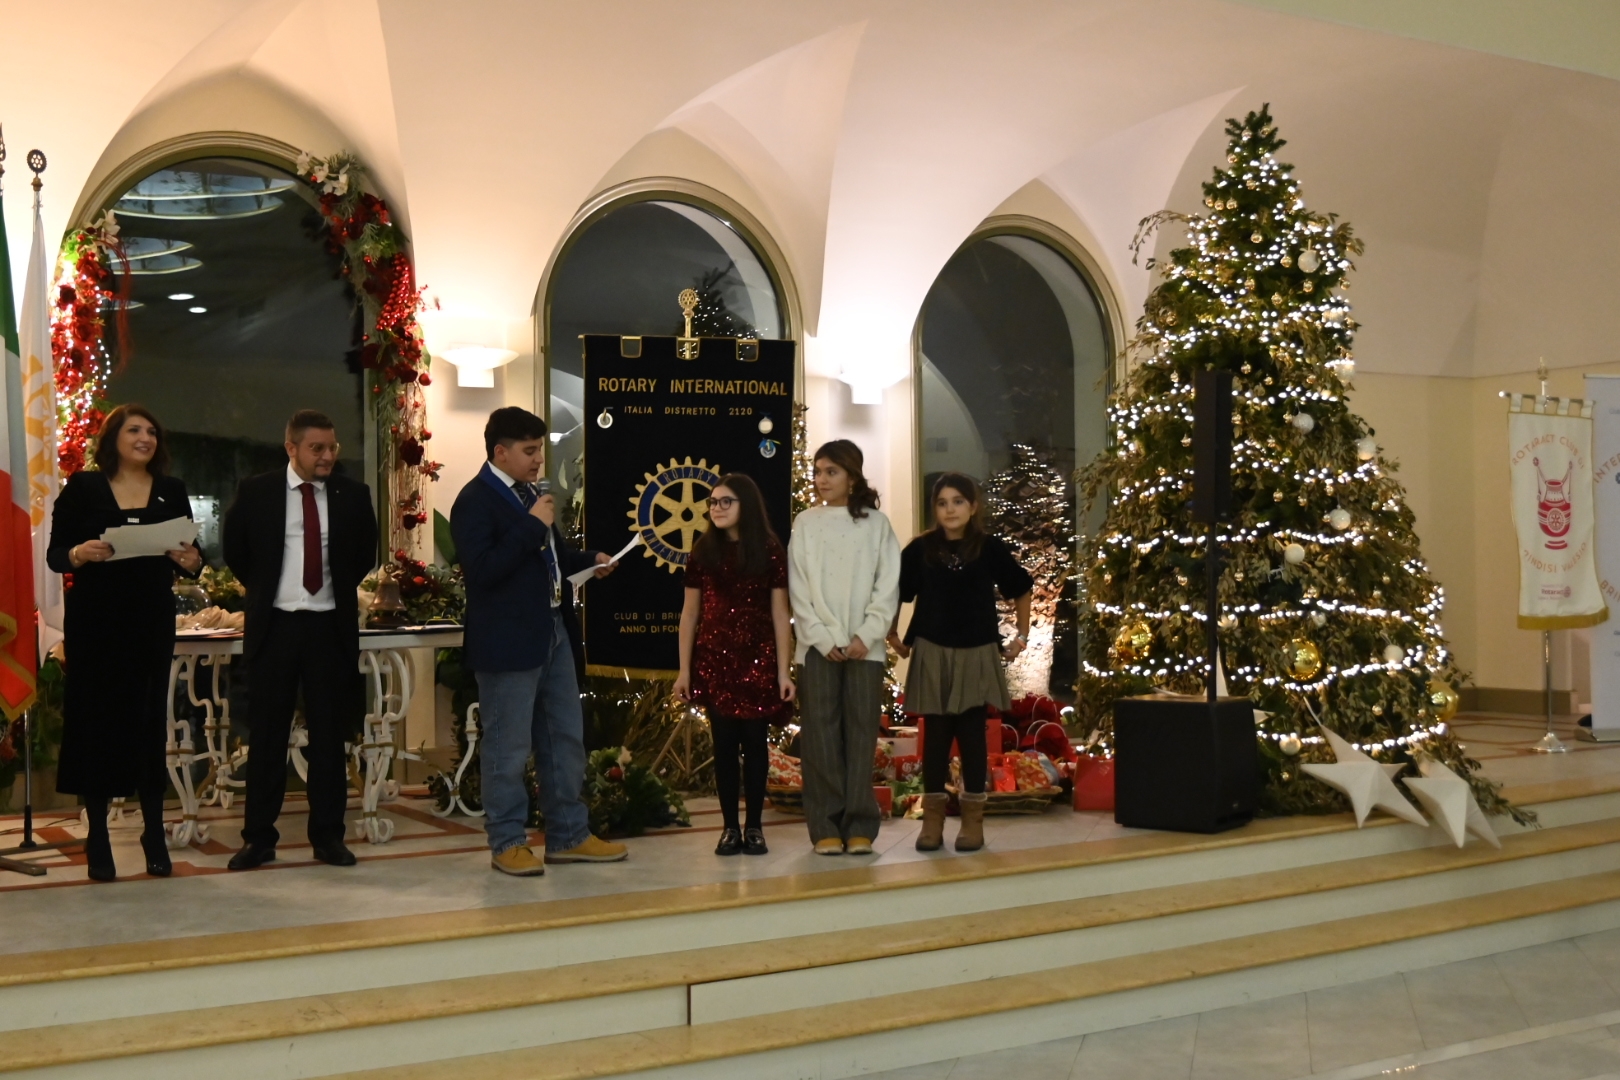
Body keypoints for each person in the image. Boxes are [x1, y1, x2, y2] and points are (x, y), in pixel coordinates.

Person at [451, 406, 626, 876]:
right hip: (507, 641)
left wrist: (589, 560)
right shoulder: (474, 500)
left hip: (553, 630)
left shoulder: (531, 495)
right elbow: (483, 571)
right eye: (529, 451)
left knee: (564, 738)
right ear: (500, 452)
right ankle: (507, 841)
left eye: (539, 450)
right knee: (507, 747)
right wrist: (532, 525)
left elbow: (550, 559)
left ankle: (568, 835)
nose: (538, 460)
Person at [48, 405, 203, 881]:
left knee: (149, 722)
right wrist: (81, 552)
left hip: (149, 619)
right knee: (96, 723)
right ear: (113, 436)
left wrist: (190, 559)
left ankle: (153, 832)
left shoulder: (171, 489)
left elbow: (194, 557)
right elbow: (57, 555)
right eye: (134, 430)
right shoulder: (84, 487)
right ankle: (97, 834)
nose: (145, 438)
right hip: (96, 622)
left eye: (152, 431)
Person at [222, 410, 378, 871]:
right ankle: (258, 839)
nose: (326, 456)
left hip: (329, 627)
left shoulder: (353, 494)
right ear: (291, 448)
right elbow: (236, 551)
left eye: (332, 447)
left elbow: (362, 555)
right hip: (276, 626)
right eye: (316, 448)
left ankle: (328, 836)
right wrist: (268, 590)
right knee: (268, 736)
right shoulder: (257, 491)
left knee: (329, 736)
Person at [887, 473, 1033, 853]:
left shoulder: (989, 548)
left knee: (971, 735)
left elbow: (1021, 586)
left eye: (957, 501)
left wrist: (1021, 636)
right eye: (942, 503)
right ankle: (932, 821)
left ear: (973, 507)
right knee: (935, 736)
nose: (950, 509)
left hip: (977, 651)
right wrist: (893, 635)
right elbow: (896, 593)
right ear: (934, 509)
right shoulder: (920, 550)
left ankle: (973, 820)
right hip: (932, 650)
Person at [787, 439, 900, 856]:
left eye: (831, 471)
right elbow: (798, 587)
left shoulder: (877, 525)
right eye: (817, 471)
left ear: (852, 476)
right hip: (818, 649)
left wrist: (865, 635)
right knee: (820, 736)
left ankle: (860, 826)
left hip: (864, 649)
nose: (821, 479)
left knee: (860, 734)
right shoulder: (806, 523)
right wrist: (822, 636)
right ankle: (825, 827)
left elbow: (888, 585)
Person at [673, 474, 794, 857]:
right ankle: (729, 828)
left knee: (756, 745)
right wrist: (684, 670)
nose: (717, 508)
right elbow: (690, 614)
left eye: (726, 501)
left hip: (758, 660)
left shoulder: (769, 550)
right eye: (713, 502)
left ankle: (754, 827)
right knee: (724, 746)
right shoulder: (703, 551)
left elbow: (780, 614)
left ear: (746, 505)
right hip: (715, 661)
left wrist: (783, 671)